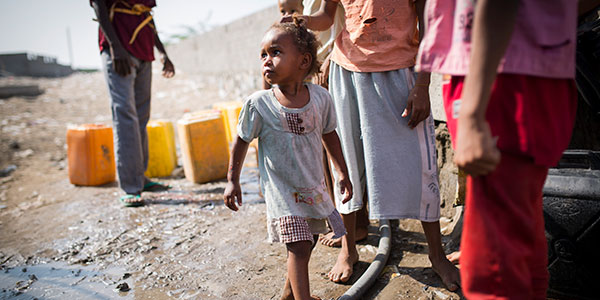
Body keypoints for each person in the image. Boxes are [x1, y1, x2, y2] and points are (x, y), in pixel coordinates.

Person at [284, 0, 460, 289]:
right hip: (347, 72)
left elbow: (428, 24)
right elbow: (327, 16)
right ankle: (348, 248)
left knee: (420, 166)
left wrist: (423, 84)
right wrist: (305, 20)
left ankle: (437, 255)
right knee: (347, 162)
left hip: (400, 71)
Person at [416, 0, 580, 298]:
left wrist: (473, 112)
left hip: (501, 76)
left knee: (492, 273)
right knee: (521, 239)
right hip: (530, 68)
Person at [224, 19, 352, 300]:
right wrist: (232, 181)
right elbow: (241, 141)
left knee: (312, 237)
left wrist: (341, 172)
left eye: (275, 52)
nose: (266, 61)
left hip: (311, 183)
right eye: (263, 55)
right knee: (299, 246)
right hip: (283, 190)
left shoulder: (320, 98)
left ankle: (288, 294)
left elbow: (330, 135)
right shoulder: (259, 104)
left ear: (304, 61)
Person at [90, 0, 175, 207]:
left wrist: (162, 52)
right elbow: (99, 5)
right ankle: (130, 186)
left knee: (141, 116)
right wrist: (115, 47)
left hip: (144, 51)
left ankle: (140, 178)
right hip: (119, 51)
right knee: (125, 116)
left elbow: (146, 16)